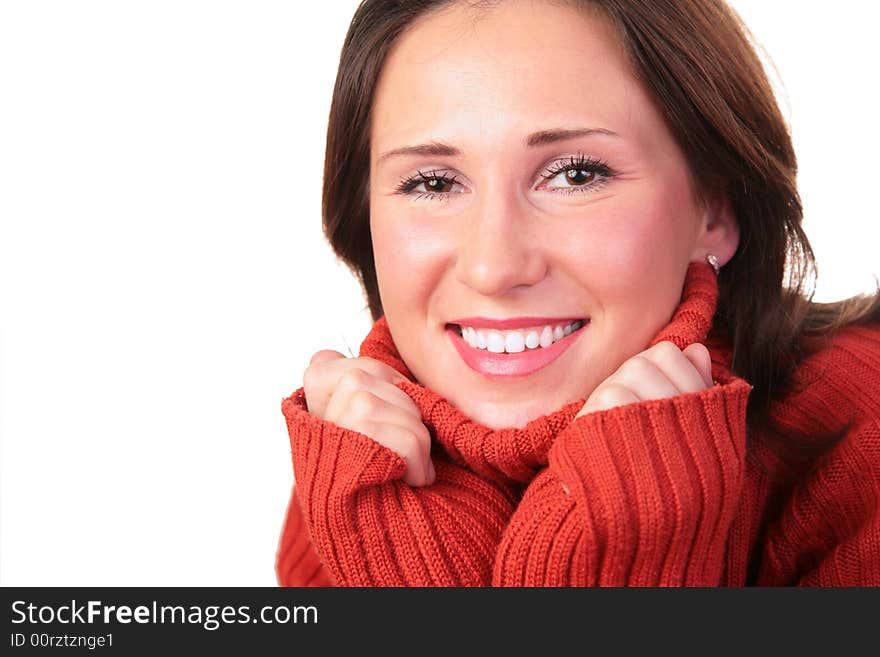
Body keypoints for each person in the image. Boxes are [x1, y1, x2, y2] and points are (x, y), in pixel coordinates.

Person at [276, 0, 880, 586]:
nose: (493, 267)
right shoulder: (356, 462)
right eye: (433, 183)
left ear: (714, 212)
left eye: (577, 175)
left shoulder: (864, 447)